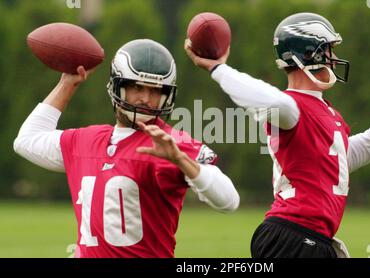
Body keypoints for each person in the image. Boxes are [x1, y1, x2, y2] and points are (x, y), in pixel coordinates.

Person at [185, 12, 370, 258]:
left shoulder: (327, 111)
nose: (334, 59)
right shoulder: (290, 107)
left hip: (312, 238)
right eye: (328, 50)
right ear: (309, 55)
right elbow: (270, 100)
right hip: (293, 235)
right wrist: (219, 69)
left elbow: (342, 159)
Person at [14, 39, 240, 258]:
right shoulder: (87, 140)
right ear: (117, 86)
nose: (145, 99)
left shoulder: (170, 143)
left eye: (155, 90)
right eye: (136, 87)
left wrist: (181, 160)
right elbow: (26, 140)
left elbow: (229, 201)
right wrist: (67, 83)